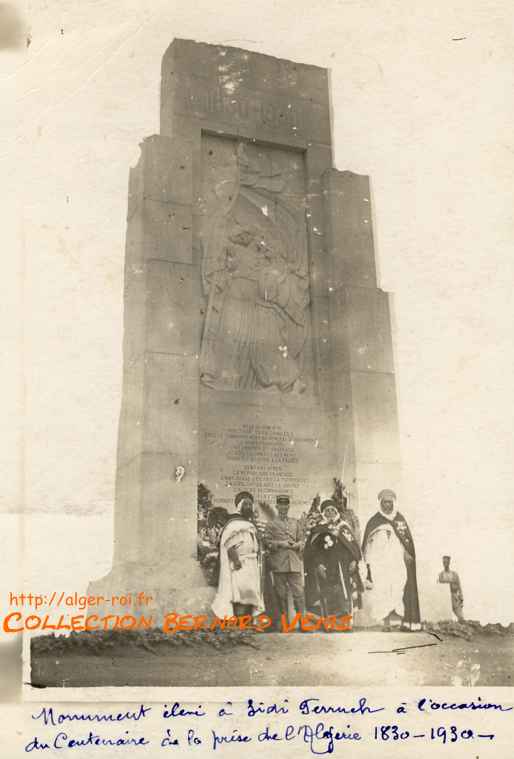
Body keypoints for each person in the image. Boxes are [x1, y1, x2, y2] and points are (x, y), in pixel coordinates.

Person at [362, 489, 421, 631]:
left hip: (396, 563)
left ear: (393, 503)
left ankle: (403, 622)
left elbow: (406, 541)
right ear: (380, 503)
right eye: (384, 502)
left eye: (390, 502)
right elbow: (366, 545)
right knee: (382, 591)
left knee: (398, 588)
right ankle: (386, 623)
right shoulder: (373, 521)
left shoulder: (399, 520)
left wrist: (407, 552)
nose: (387, 505)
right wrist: (368, 563)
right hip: (380, 564)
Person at [303, 499, 362, 627]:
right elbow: (313, 550)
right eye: (327, 511)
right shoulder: (318, 529)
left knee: (344, 593)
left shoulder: (343, 526)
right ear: (323, 513)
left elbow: (353, 546)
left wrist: (353, 561)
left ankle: (345, 623)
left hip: (343, 566)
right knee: (328, 593)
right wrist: (318, 564)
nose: (330, 512)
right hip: (326, 567)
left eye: (332, 510)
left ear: (336, 511)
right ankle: (330, 623)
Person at [212, 491, 264, 618]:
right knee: (240, 593)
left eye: (250, 504)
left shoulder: (249, 523)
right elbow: (228, 544)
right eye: (245, 504)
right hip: (240, 563)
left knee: (251, 593)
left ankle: (246, 622)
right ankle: (239, 622)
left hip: (251, 563)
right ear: (239, 506)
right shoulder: (234, 524)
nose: (248, 507)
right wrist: (236, 561)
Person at [264, 495, 305, 625]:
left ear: (288, 507)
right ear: (277, 507)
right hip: (279, 563)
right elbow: (266, 542)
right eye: (281, 506)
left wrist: (298, 545)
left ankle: (302, 623)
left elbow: (302, 540)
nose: (283, 508)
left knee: (298, 593)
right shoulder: (271, 524)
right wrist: (281, 543)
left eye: (286, 506)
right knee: (280, 594)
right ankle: (284, 624)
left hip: (294, 562)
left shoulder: (295, 522)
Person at [438, 555, 464, 621]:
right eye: (444, 562)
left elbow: (459, 586)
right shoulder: (441, 575)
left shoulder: (454, 574)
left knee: (460, 617)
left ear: (449, 562)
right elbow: (439, 588)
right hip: (444, 598)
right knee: (445, 619)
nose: (445, 564)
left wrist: (461, 597)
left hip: (454, 596)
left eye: (446, 562)